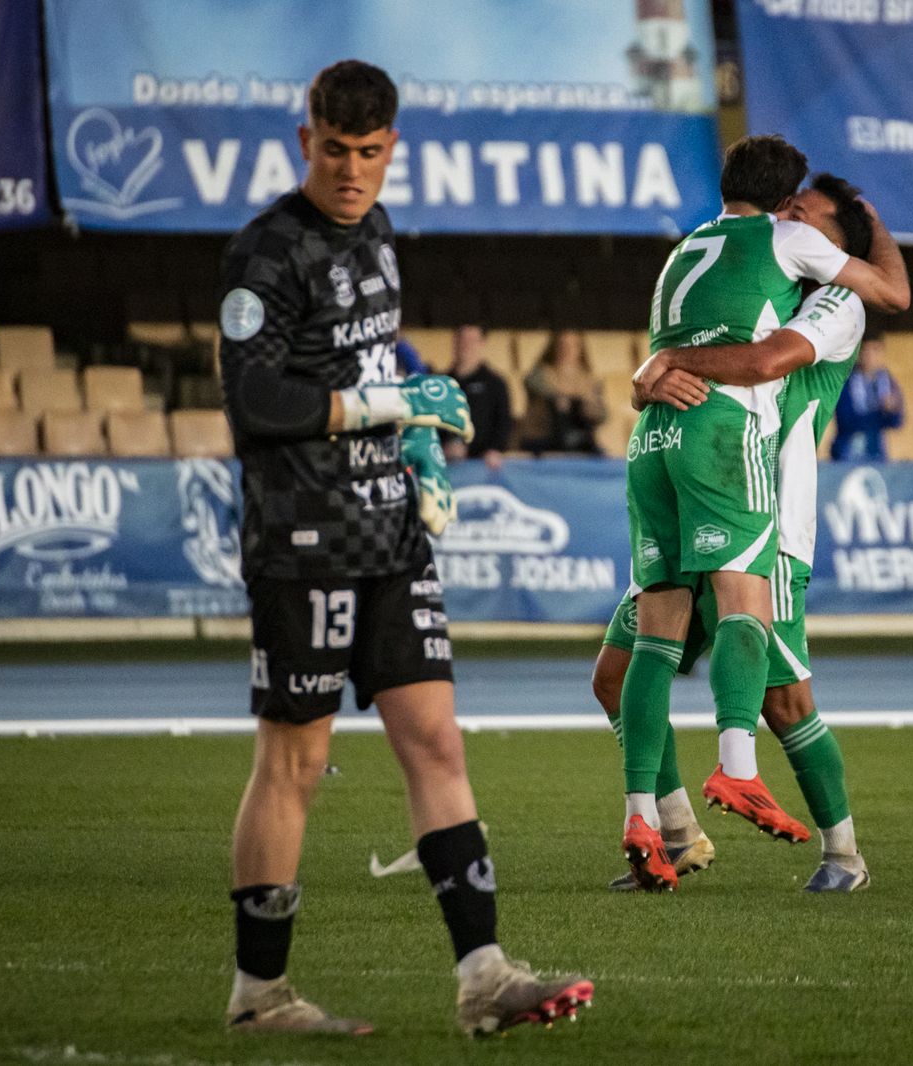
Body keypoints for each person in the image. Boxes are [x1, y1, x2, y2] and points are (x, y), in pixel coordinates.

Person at [216, 59, 590, 1038]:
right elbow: (254, 399)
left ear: (392, 151)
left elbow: (373, 360)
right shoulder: (265, 252)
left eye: (370, 153)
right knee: (292, 762)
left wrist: (415, 446)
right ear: (307, 140)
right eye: (334, 151)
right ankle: (259, 994)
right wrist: (386, 406)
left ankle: (483, 976)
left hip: (390, 536)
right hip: (303, 542)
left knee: (436, 739)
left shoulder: (379, 236)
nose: (350, 170)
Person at [618, 133, 909, 891]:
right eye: (792, 210)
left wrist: (665, 365)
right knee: (617, 670)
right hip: (708, 478)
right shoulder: (763, 270)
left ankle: (843, 852)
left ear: (837, 241)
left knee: (785, 700)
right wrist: (649, 378)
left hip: (769, 510)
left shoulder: (838, 305)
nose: (795, 220)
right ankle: (675, 832)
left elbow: (764, 361)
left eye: (809, 217)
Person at [517, 331, 606, 454]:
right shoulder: (539, 375)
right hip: (544, 440)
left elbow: (602, 415)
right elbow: (532, 384)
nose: (567, 350)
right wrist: (562, 398)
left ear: (580, 349)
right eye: (562, 345)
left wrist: (588, 406)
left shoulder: (589, 380)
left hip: (580, 442)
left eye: (573, 346)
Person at [444, 324, 513, 468]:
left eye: (472, 340)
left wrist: (494, 450)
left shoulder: (495, 383)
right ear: (454, 341)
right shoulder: (441, 384)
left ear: (482, 343)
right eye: (462, 339)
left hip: (483, 466)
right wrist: (443, 448)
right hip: (447, 465)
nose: (466, 345)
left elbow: (504, 423)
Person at [830, 332, 904, 460]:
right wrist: (881, 413)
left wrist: (892, 411)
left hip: (877, 453)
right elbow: (846, 420)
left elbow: (897, 421)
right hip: (847, 453)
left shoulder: (888, 381)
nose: (870, 356)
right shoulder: (845, 382)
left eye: (875, 350)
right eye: (865, 350)